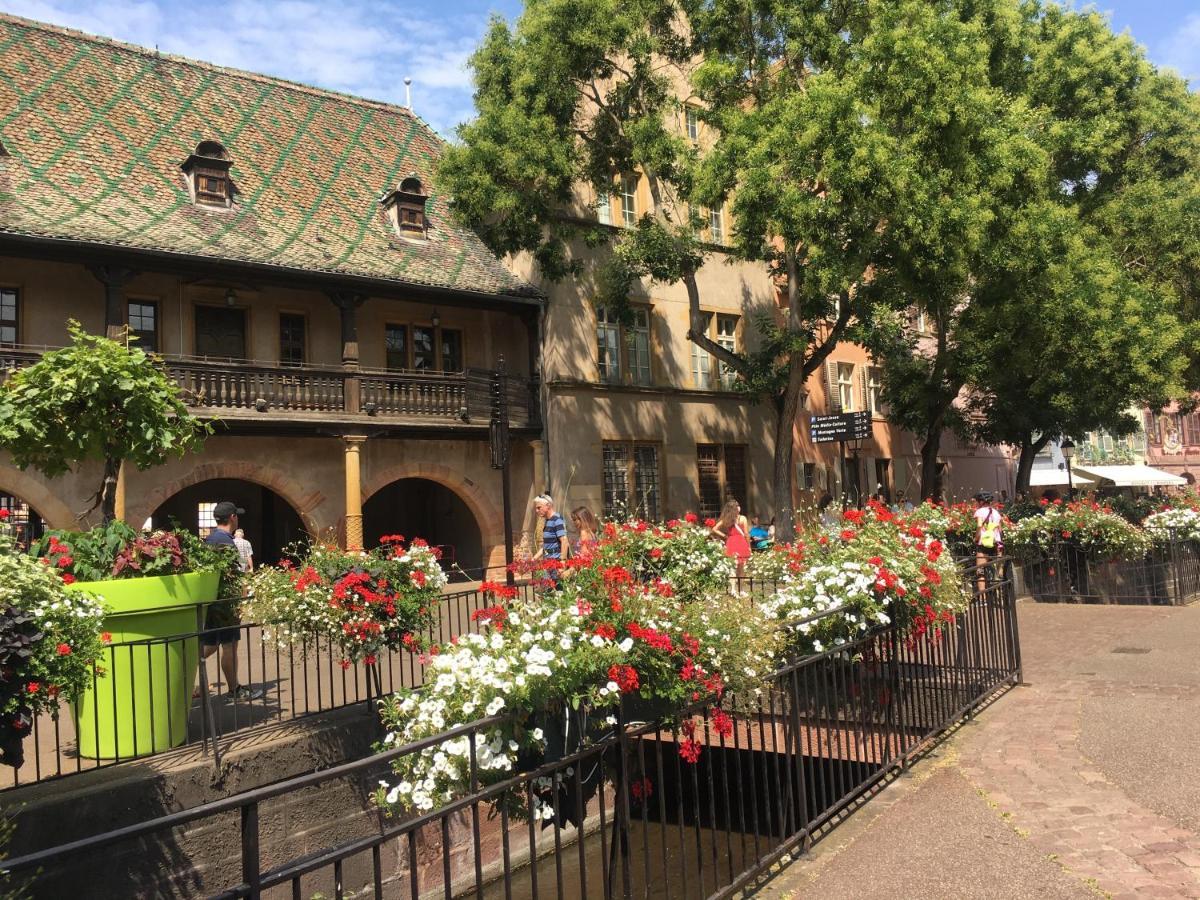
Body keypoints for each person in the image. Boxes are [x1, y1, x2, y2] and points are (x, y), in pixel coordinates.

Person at [200, 503, 263, 701]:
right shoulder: (226, 542)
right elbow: (233, 575)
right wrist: (242, 598)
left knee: (209, 644)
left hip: (213, 600)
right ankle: (234, 690)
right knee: (229, 645)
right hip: (226, 603)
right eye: (237, 517)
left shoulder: (210, 539)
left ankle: (185, 675)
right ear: (233, 517)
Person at [710, 498, 751, 591]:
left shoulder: (726, 519)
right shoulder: (742, 518)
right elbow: (746, 534)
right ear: (735, 508)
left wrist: (725, 536)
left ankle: (733, 589)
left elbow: (714, 529)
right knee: (741, 568)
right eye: (737, 506)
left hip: (731, 542)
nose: (739, 507)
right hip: (741, 542)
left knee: (732, 567)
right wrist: (749, 546)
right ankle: (741, 590)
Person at [532, 494, 568, 583]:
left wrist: (562, 562)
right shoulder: (548, 521)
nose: (537, 511)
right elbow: (546, 546)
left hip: (556, 563)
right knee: (547, 592)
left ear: (548, 505)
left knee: (557, 592)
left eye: (539, 507)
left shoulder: (557, 520)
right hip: (548, 563)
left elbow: (564, 541)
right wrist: (534, 558)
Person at [973, 491, 1003, 590]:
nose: (976, 503)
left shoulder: (979, 511)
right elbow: (1000, 529)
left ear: (981, 502)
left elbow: (979, 525)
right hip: (996, 543)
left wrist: (976, 537)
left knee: (980, 570)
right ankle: (1001, 594)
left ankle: (983, 598)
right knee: (998, 570)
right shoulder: (996, 512)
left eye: (977, 501)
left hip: (984, 543)